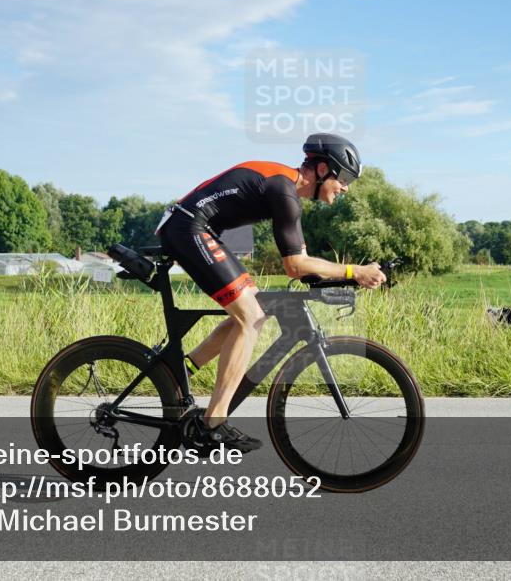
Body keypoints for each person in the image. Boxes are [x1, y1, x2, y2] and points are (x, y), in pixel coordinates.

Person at [155, 133, 387, 453]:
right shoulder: (285, 191)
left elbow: (303, 264)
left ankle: (177, 373)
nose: (346, 186)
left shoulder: (285, 189)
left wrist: (344, 277)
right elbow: (296, 265)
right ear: (321, 170)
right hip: (189, 227)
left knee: (253, 309)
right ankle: (213, 424)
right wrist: (354, 271)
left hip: (195, 228)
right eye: (343, 177)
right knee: (250, 317)